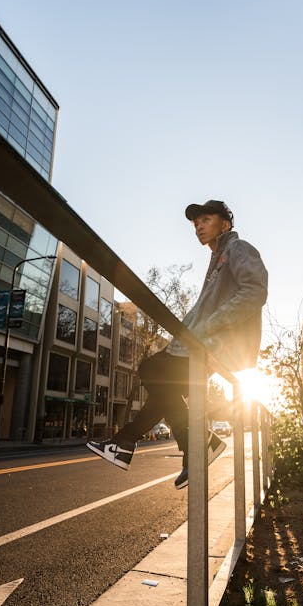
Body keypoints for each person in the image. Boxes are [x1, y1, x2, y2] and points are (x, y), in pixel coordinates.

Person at [86, 199, 268, 489]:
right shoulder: (217, 259)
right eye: (196, 224)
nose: (199, 227)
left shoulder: (238, 248)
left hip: (216, 343)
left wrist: (209, 325)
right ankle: (138, 444)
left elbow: (255, 291)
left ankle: (176, 444)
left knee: (151, 368)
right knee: (163, 387)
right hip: (203, 342)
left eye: (206, 220)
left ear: (225, 223)